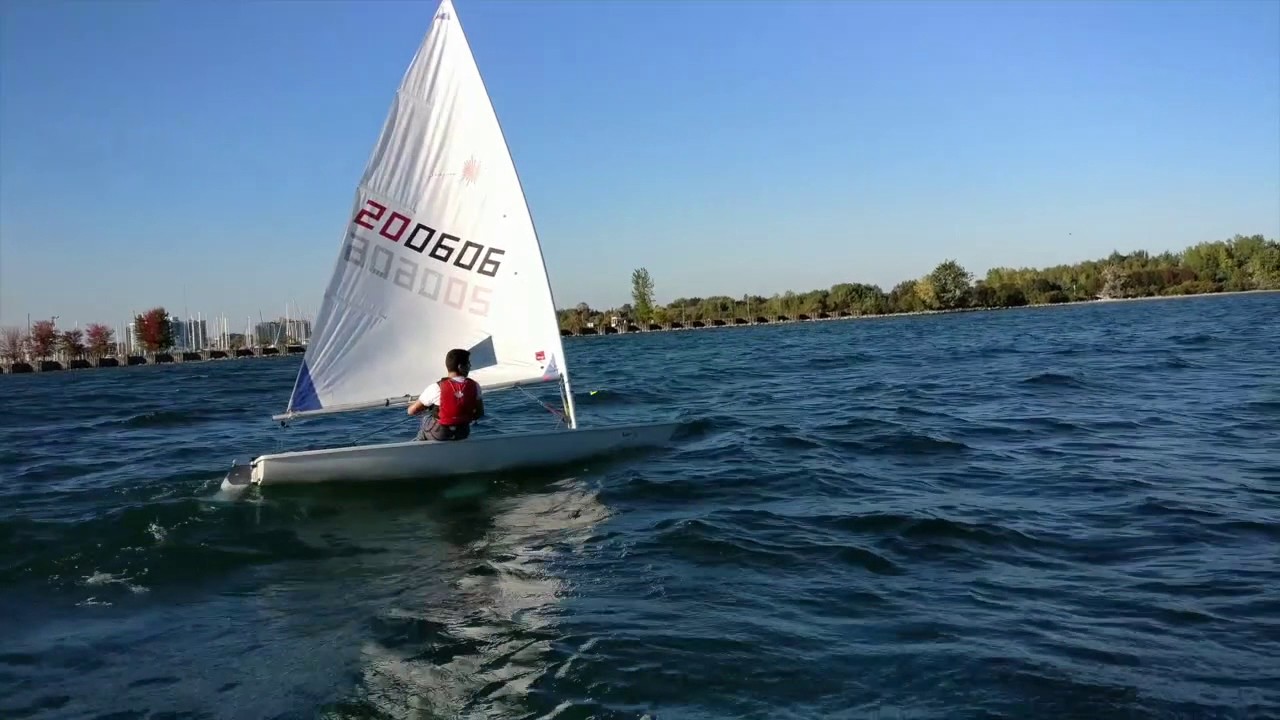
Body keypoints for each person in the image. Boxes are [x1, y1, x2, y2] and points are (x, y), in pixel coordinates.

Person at [407, 348, 484, 441]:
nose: (470, 366)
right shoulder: (475, 386)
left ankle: (417, 447)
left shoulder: (436, 387)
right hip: (462, 433)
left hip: (440, 434)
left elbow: (411, 411)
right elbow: (479, 413)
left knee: (426, 417)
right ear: (460, 367)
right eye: (468, 364)